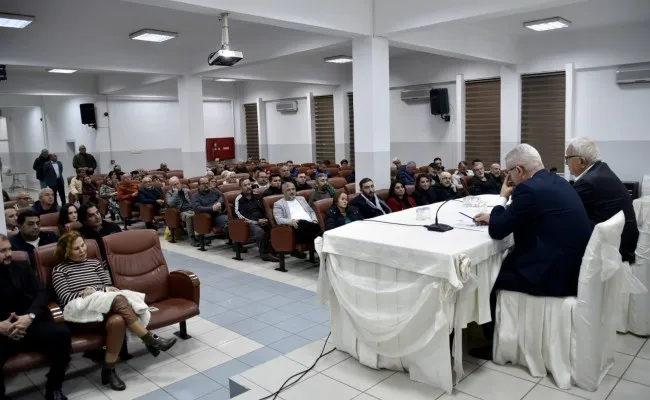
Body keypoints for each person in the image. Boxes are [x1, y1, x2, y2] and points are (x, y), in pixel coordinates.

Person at [471, 144, 592, 360]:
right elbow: (528, 215)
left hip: (552, 274)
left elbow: (498, 230)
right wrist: (502, 215)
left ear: (519, 171)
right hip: (573, 265)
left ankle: (496, 344)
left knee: (488, 277)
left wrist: (502, 197)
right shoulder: (558, 181)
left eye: (509, 172)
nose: (508, 177)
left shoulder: (528, 190)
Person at [52, 232, 176, 391]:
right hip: (82, 314)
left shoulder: (94, 264)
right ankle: (149, 338)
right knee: (118, 299)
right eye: (76, 249)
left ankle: (108, 371)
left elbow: (108, 287)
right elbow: (66, 299)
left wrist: (95, 290)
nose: (82, 250)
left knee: (117, 320)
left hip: (104, 308)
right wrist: (92, 292)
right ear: (66, 252)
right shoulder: (60, 270)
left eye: (83, 245)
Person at [0, 234, 72, 400]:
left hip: (28, 324)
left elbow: (42, 293)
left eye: (9, 248)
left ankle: (54, 387)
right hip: (1, 332)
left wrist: (29, 316)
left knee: (62, 334)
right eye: (3, 251)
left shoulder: (21, 267)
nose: (9, 253)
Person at [566, 137, 638, 263]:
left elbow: (568, 211)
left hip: (611, 251)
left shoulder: (587, 182)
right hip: (623, 243)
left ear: (582, 161)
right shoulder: (601, 170)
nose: (566, 163)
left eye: (568, 158)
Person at [273, 182, 322, 266]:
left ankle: (320, 237)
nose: (292, 191)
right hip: (297, 229)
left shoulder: (301, 199)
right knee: (301, 222)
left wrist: (314, 220)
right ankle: (321, 234)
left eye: (293, 189)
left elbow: (311, 211)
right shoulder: (278, 204)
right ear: (283, 192)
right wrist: (290, 221)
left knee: (311, 223)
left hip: (311, 226)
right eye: (288, 190)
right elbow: (279, 220)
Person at [234, 179, 279, 262]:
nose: (248, 187)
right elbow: (239, 215)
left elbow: (264, 209)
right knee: (260, 232)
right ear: (240, 187)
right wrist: (256, 222)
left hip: (261, 220)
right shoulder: (239, 199)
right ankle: (264, 253)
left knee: (275, 228)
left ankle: (275, 249)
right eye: (245, 185)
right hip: (248, 223)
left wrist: (266, 218)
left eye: (249, 184)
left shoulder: (257, 196)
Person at [166, 177, 198, 246]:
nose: (177, 185)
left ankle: (201, 237)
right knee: (190, 216)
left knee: (200, 214)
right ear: (171, 186)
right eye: (174, 185)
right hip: (181, 212)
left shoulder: (186, 190)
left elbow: (193, 200)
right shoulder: (169, 193)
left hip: (192, 209)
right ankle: (192, 240)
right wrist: (175, 192)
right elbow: (170, 204)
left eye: (178, 183)